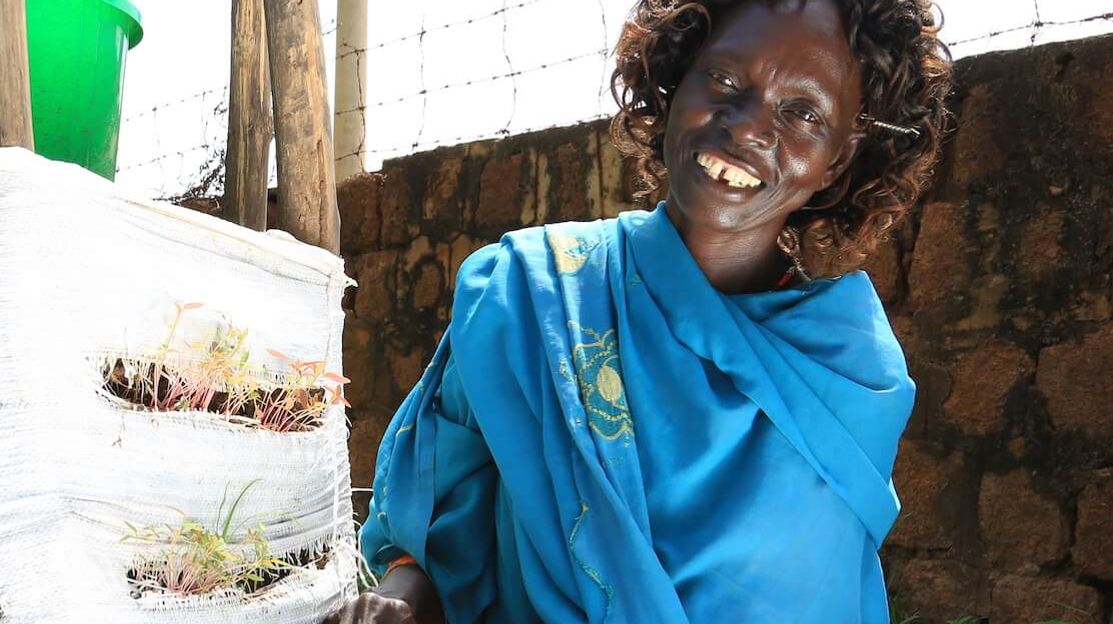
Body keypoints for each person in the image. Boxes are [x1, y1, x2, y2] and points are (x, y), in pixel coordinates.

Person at [334, 0, 952, 622]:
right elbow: (431, 523)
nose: (747, 127)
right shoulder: (529, 293)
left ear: (837, 161)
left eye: (802, 112)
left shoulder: (845, 372)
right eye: (726, 80)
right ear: (675, 79)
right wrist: (399, 601)